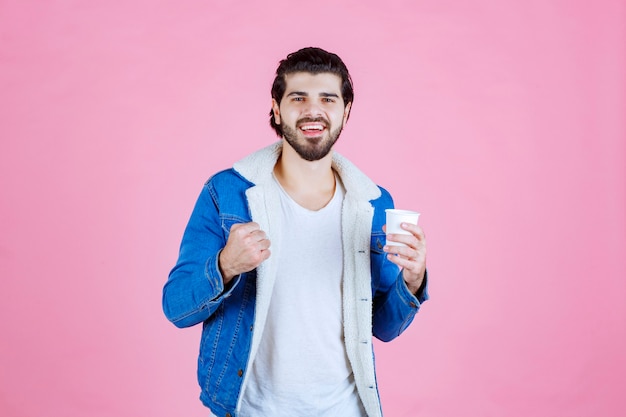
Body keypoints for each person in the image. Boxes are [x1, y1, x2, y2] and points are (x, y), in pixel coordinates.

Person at [162, 47, 429, 417]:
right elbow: (176, 308)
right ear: (276, 108)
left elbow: (382, 327)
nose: (312, 110)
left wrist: (412, 282)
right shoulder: (226, 193)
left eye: (327, 99)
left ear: (345, 111)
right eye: (298, 97)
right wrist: (225, 265)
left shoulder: (374, 204)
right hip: (251, 409)